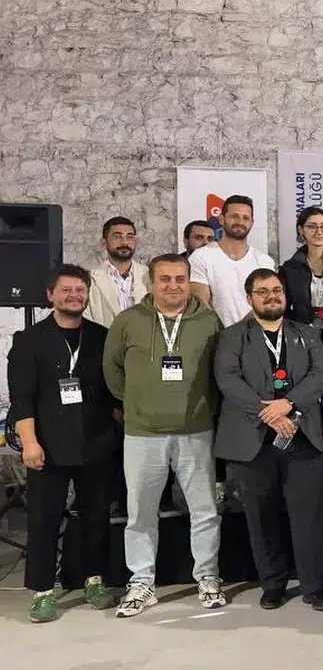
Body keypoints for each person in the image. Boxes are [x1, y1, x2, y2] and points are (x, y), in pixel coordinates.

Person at [103, 254, 225, 617]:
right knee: (141, 514)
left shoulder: (208, 321)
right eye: (165, 279)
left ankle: (208, 576)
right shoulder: (128, 321)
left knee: (205, 511)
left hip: (196, 431)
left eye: (180, 279)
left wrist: (205, 409)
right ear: (151, 283)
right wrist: (138, 403)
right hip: (143, 434)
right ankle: (142, 582)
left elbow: (219, 373)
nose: (173, 286)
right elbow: (112, 371)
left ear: (189, 282)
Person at [214, 269, 323, 612]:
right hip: (252, 442)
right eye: (263, 291)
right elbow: (227, 379)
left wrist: (289, 404)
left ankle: (315, 587)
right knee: (261, 518)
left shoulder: (307, 333)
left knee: (309, 517)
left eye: (277, 290)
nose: (272, 296)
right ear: (249, 297)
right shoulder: (232, 337)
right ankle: (272, 585)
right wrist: (268, 411)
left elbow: (320, 374)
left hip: (302, 439)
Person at [9, 265, 119, 623]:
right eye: (67, 290)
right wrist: (29, 443)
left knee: (96, 517)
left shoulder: (101, 337)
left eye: (80, 290)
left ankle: (94, 581)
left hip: (96, 443)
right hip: (48, 446)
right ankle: (42, 591)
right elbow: (22, 398)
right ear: (51, 295)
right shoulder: (29, 340)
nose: (74, 296)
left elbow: (113, 393)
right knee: (44, 519)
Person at [189, 195, 276, 326]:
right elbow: (201, 307)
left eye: (245, 218)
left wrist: (238, 332)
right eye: (234, 216)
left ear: (252, 223)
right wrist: (229, 335)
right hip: (214, 334)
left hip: (255, 333)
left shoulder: (265, 262)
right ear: (222, 219)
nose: (240, 222)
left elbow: (266, 305)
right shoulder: (201, 257)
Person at [280, 206, 323, 357]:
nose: (319, 231)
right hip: (303, 338)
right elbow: (283, 307)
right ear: (301, 230)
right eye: (312, 226)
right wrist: (297, 328)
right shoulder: (290, 269)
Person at [87, 217, 148, 328]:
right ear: (104, 243)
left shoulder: (150, 276)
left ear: (135, 242)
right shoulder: (90, 280)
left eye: (129, 237)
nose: (124, 242)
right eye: (117, 236)